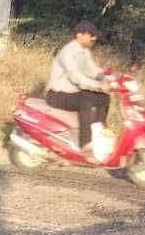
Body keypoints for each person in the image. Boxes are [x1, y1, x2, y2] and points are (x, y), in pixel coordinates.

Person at [45, 19, 112, 159]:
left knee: (104, 98)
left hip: (72, 92)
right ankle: (85, 145)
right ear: (79, 35)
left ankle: (98, 133)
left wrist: (107, 77)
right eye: (91, 35)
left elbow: (92, 69)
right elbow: (76, 77)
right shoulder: (68, 52)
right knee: (85, 100)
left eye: (94, 35)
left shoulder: (84, 51)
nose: (94, 38)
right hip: (56, 94)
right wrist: (99, 85)